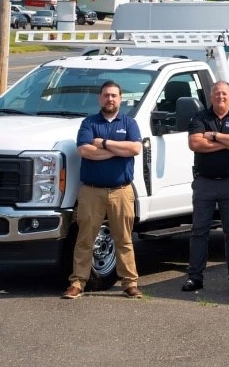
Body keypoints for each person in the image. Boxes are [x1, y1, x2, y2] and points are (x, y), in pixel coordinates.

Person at [62, 81, 143, 299]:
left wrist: (104, 143)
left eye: (114, 95)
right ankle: (77, 283)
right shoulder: (89, 123)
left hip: (121, 191)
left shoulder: (129, 123)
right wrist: (119, 150)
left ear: (121, 98)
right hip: (91, 192)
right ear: (100, 98)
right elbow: (85, 150)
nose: (110, 99)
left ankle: (130, 283)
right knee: (84, 239)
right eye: (106, 95)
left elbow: (135, 148)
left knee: (124, 239)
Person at [182, 80, 229, 293]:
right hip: (204, 183)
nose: (220, 97)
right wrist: (228, 142)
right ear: (211, 97)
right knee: (199, 231)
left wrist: (214, 136)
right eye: (217, 94)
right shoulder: (200, 117)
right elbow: (195, 144)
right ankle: (195, 278)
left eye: (224, 94)